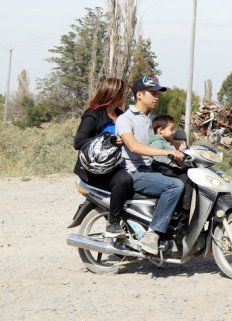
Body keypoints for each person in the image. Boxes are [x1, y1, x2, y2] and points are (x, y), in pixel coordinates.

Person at [116, 76, 184, 255]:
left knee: (187, 179)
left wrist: (182, 148)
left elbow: (168, 141)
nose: (156, 97)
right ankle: (152, 235)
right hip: (136, 171)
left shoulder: (153, 120)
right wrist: (166, 152)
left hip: (153, 168)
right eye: (153, 93)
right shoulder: (125, 119)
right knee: (174, 185)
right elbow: (133, 147)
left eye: (157, 93)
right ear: (139, 95)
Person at [73, 78, 134, 238]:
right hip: (96, 170)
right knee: (124, 180)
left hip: (116, 164)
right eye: (122, 94)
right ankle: (112, 223)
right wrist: (110, 141)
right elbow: (79, 142)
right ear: (113, 94)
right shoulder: (93, 116)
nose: (124, 97)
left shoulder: (121, 115)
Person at [148, 115, 193, 211]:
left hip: (166, 167)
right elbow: (157, 156)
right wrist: (172, 164)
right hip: (161, 167)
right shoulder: (157, 140)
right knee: (186, 178)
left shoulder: (166, 141)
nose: (173, 131)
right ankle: (185, 208)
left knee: (189, 171)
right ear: (161, 130)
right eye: (171, 129)